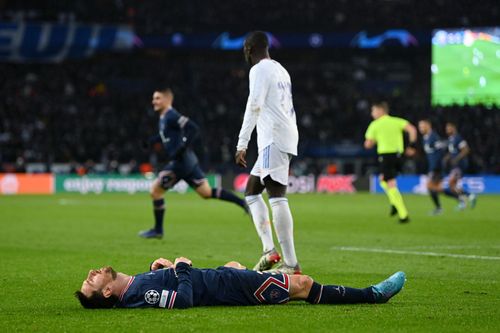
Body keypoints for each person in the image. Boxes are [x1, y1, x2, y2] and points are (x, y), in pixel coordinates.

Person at [75, 256, 406, 309]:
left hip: (223, 275)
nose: (93, 272)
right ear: (106, 291)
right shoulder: (140, 295)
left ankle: (261, 271)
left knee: (235, 263)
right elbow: (184, 300)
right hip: (228, 287)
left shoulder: (134, 285)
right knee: (303, 284)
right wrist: (182, 268)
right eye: (92, 281)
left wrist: (157, 266)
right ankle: (373, 295)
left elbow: (164, 285)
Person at [140, 88, 248, 239]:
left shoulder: (171, 115)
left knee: (155, 191)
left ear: (166, 100)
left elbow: (193, 128)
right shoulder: (164, 117)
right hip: (188, 162)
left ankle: (158, 230)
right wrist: (152, 141)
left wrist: (182, 147)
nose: (154, 101)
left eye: (157, 98)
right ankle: (242, 203)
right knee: (206, 193)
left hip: (180, 163)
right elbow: (165, 134)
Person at [235, 31, 300, 274]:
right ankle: (269, 251)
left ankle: (292, 265)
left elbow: (255, 105)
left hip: (273, 137)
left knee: (276, 195)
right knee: (252, 192)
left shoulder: (259, 70)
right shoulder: (281, 69)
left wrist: (242, 143)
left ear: (249, 49)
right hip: (282, 135)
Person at [364, 102, 417, 223]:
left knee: (389, 183)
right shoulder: (396, 121)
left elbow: (367, 144)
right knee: (383, 180)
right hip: (399, 155)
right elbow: (412, 129)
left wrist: (374, 140)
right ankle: (394, 202)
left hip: (386, 155)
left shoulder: (375, 125)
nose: (372, 114)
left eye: (373, 111)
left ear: (380, 111)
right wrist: (411, 146)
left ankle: (403, 214)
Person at [442, 122, 477, 210]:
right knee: (453, 186)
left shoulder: (458, 138)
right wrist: (446, 158)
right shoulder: (451, 139)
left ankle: (468, 196)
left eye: (449, 128)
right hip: (455, 165)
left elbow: (466, 150)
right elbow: (453, 151)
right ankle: (464, 201)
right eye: (446, 129)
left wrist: (457, 159)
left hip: (460, 165)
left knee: (451, 183)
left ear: (454, 128)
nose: (447, 130)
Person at [418, 119, 447, 215]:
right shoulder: (425, 138)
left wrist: (435, 168)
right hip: (432, 166)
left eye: (422, 126)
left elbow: (440, 153)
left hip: (436, 167)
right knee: (435, 188)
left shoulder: (434, 137)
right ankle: (460, 196)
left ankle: (439, 208)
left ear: (428, 125)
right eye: (419, 127)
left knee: (430, 186)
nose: (420, 128)